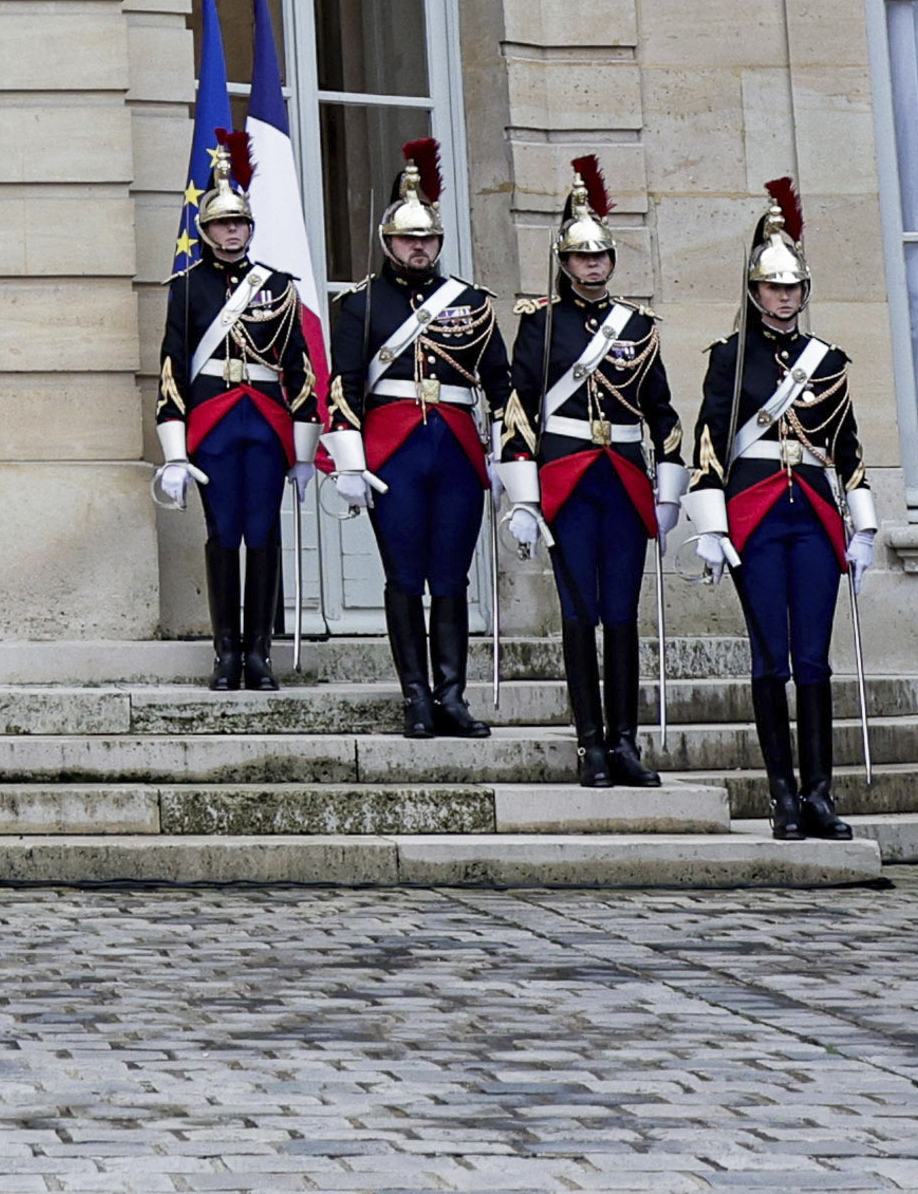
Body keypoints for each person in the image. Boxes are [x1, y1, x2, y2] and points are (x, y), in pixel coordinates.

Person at [688, 178, 872, 842]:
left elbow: (848, 444)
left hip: (815, 515)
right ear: (755, 290)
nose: (785, 296)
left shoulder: (827, 361)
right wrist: (711, 522)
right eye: (773, 286)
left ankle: (820, 791)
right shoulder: (730, 358)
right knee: (772, 659)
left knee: (815, 659)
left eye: (793, 286)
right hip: (758, 513)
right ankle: (783, 794)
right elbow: (710, 440)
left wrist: (865, 520)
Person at [328, 140, 513, 741]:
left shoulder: (471, 304)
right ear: (388, 242)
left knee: (452, 578)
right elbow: (343, 388)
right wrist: (350, 463)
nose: (419, 248)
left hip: (456, 452)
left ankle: (452, 695)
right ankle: (416, 697)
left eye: (428, 239)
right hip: (392, 456)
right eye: (409, 240)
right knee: (405, 577)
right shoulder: (359, 306)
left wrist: (515, 469)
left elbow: (503, 387)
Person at [500, 155, 672, 787]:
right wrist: (522, 494)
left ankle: (626, 743)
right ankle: (589, 744)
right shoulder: (540, 325)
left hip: (624, 479)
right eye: (582, 257)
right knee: (580, 615)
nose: (594, 265)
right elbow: (517, 410)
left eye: (602, 256)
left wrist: (675, 490)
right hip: (567, 479)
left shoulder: (640, 327)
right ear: (564, 263)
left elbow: (664, 413)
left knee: (622, 614)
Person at [151, 153, 327, 692]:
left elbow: (298, 369)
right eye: (224, 224)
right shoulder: (187, 288)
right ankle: (227, 653)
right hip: (213, 425)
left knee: (264, 533)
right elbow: (172, 370)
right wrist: (175, 451)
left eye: (241, 223)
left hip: (267, 424)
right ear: (205, 230)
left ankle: (261, 653)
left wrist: (302, 451)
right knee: (224, 535)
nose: (233, 232)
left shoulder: (278, 286)